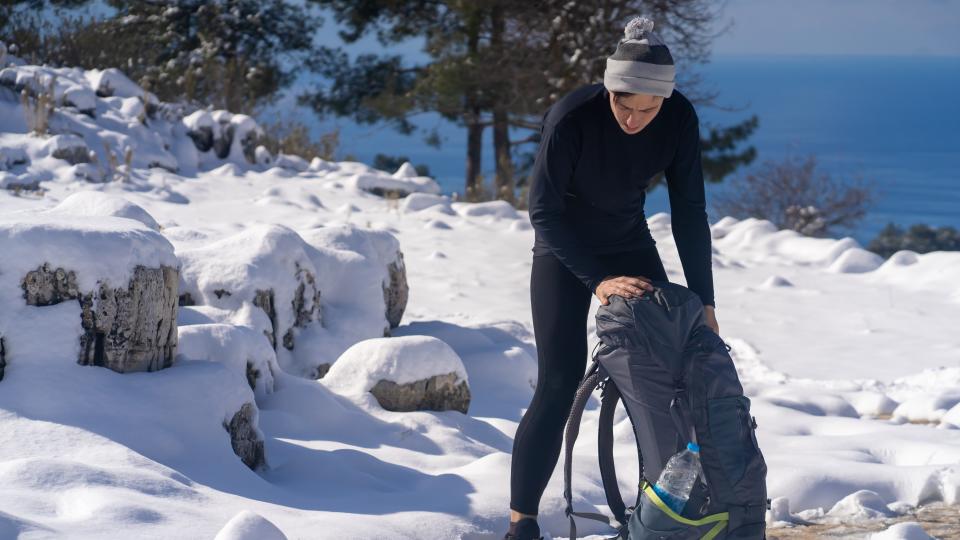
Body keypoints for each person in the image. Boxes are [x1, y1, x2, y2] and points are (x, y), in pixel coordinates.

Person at [503, 16, 719, 540]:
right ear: (609, 87)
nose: (634, 118)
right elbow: (544, 212)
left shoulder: (678, 118)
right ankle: (522, 524)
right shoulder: (572, 116)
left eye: (648, 108)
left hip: (628, 240)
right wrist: (598, 281)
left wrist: (704, 302)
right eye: (625, 103)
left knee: (671, 376)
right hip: (564, 248)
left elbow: (689, 211)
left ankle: (663, 514)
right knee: (557, 381)